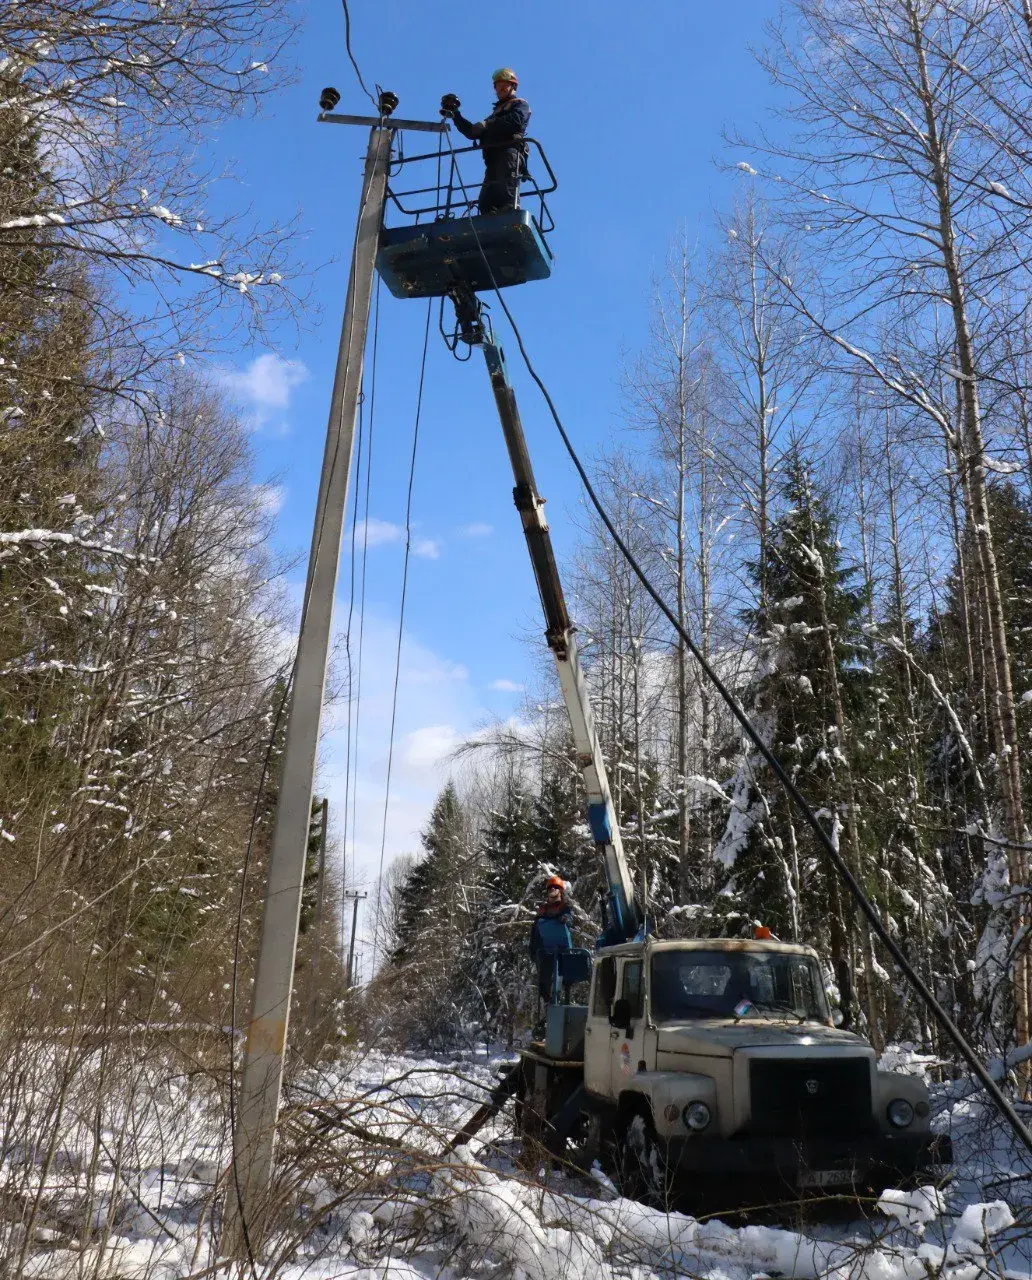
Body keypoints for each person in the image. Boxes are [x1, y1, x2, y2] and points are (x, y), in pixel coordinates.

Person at [440, 68, 531, 216]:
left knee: (507, 201)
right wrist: (455, 114)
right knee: (485, 204)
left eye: (504, 85)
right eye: (497, 86)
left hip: (508, 155)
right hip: (492, 161)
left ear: (513, 86)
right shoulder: (493, 115)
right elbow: (472, 132)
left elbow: (516, 122)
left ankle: (509, 212)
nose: (499, 89)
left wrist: (487, 125)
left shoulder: (520, 105)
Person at [529, 875, 572, 1004]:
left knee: (567, 976)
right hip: (546, 951)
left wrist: (565, 919)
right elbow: (535, 931)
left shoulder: (565, 908)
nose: (552, 889)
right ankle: (548, 1001)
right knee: (544, 980)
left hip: (563, 950)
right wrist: (532, 949)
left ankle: (565, 999)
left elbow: (570, 918)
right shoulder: (543, 910)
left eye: (555, 887)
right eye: (550, 888)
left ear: (560, 891)